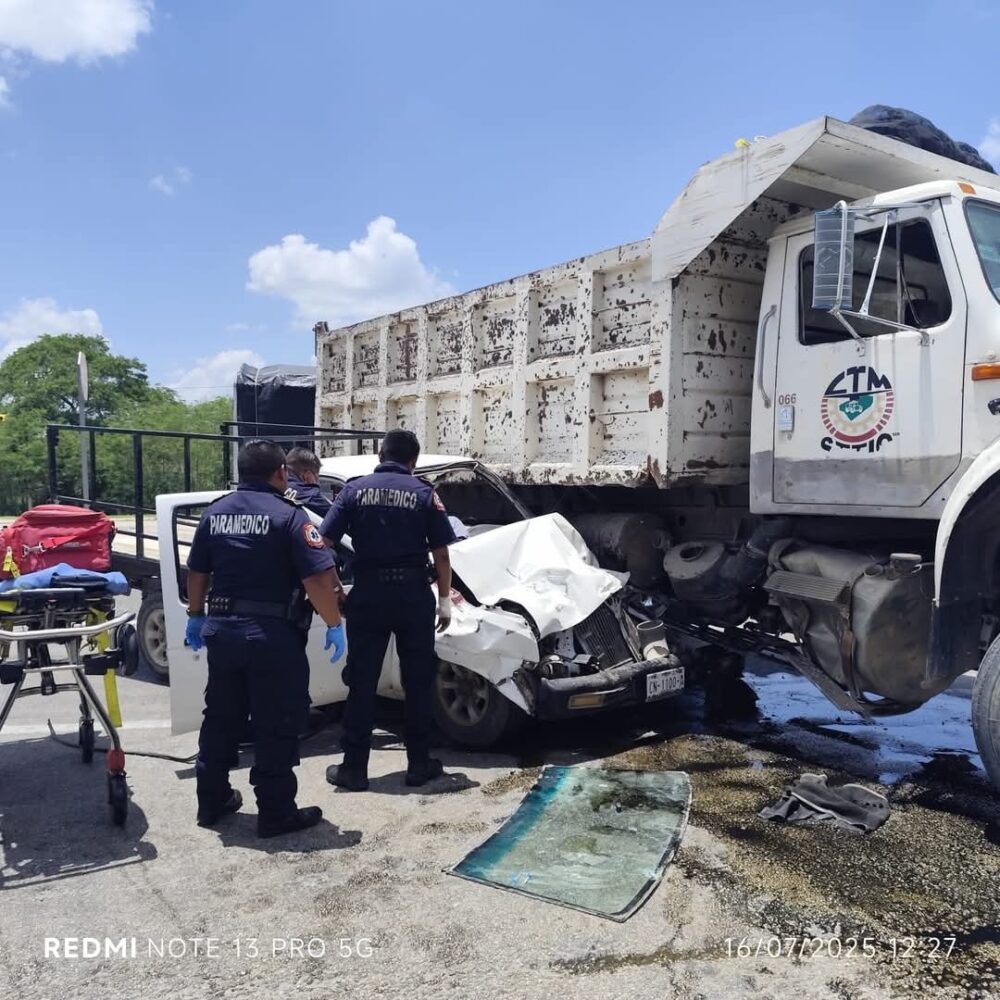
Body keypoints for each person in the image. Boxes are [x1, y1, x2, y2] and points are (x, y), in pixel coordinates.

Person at [185, 439, 347, 838]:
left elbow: (197, 573)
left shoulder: (215, 513)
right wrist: (333, 623)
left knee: (221, 719)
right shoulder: (290, 517)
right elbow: (319, 580)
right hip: (272, 639)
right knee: (275, 724)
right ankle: (275, 813)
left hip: (222, 633)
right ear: (281, 472)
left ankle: (212, 801)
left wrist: (194, 615)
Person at [320, 429, 456, 791]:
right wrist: (444, 600)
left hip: (368, 594)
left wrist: (335, 589)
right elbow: (441, 552)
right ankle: (418, 765)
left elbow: (322, 544)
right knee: (418, 681)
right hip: (412, 596)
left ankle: (353, 769)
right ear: (413, 461)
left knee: (362, 682)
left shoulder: (352, 490)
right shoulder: (424, 494)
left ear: (381, 455)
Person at [284, 447, 333, 518]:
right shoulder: (309, 495)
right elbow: (337, 516)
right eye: (316, 476)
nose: (317, 481)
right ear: (307, 475)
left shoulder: (273, 485)